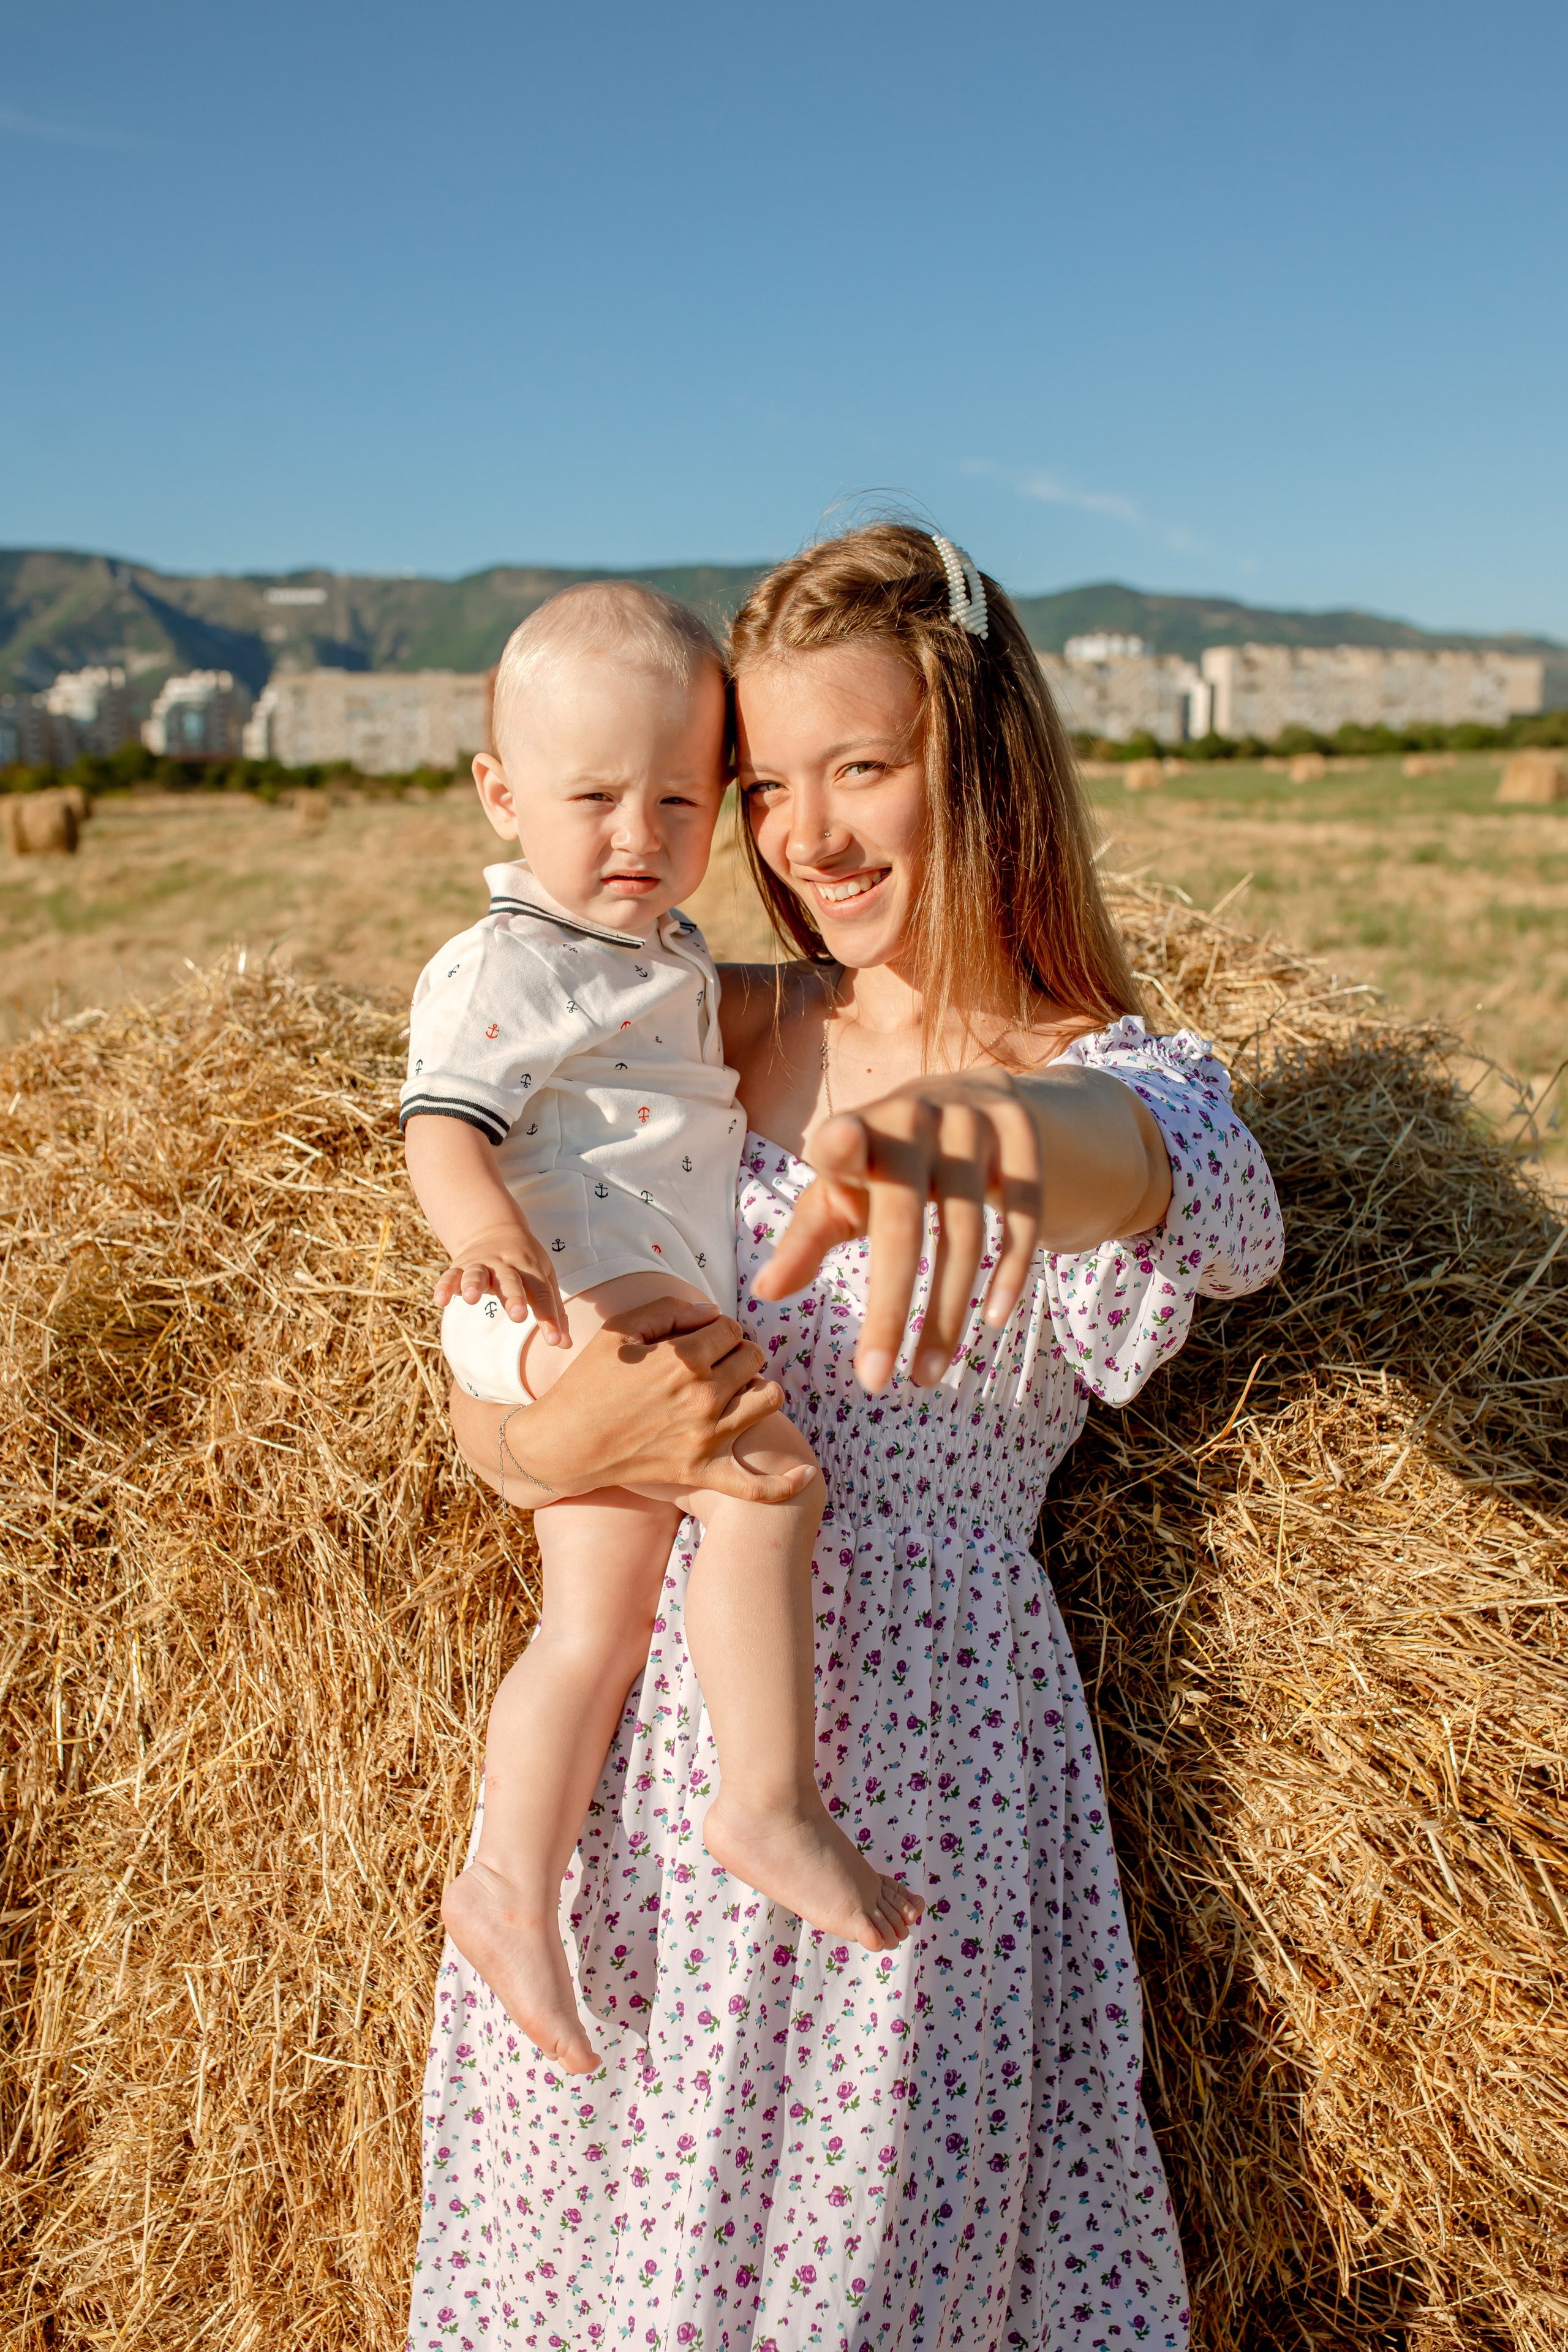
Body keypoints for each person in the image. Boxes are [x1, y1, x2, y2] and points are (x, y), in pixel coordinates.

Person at [407, 526, 1283, 2351]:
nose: (805, 835)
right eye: (765, 785)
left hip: (913, 1779)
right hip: (641, 1778)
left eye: (862, 767)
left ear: (985, 764)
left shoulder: (1109, 1081)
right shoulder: (689, 1016)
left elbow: (1196, 1188)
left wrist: (992, 1134)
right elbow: (504, 1384)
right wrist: (554, 1437)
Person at [402, 581, 922, 2076]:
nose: (638, 833)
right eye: (592, 799)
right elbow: (440, 1125)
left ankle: (507, 1885)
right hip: (574, 1293)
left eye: (681, 799)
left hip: (607, 1297)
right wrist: (484, 1239)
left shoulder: (666, 956)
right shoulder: (508, 963)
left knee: (595, 1622)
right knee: (767, 1487)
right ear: (501, 795)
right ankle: (764, 1801)